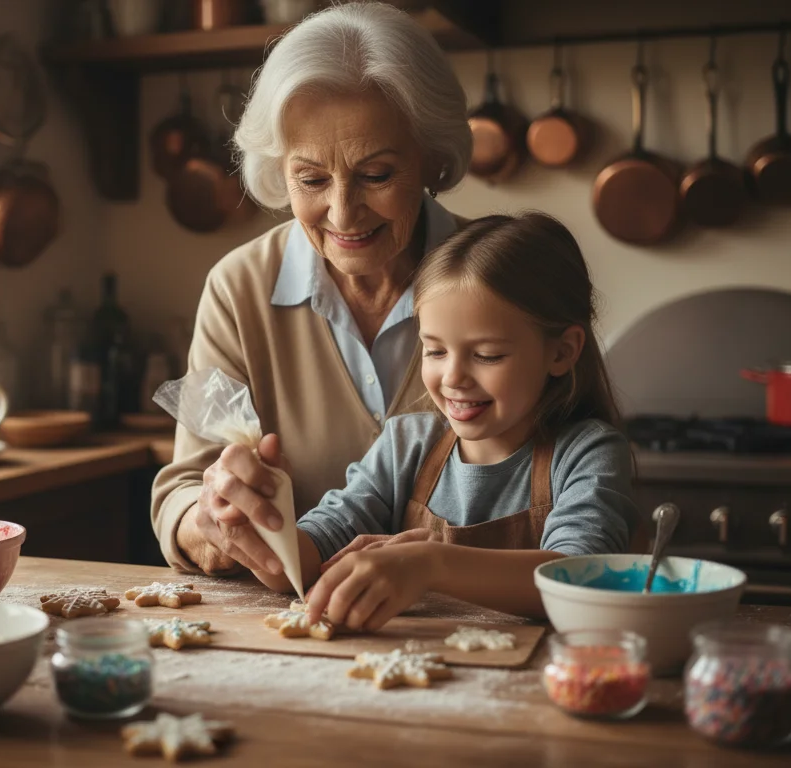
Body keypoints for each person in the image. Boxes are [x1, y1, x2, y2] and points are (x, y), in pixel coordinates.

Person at [151, 2, 473, 576]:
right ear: (281, 173)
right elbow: (181, 488)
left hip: (479, 634)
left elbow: (579, 487)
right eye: (311, 179)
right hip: (299, 626)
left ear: (432, 156)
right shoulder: (240, 287)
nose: (344, 214)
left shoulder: (505, 277)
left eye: (376, 175)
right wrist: (211, 521)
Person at [251, 213, 639, 626]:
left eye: (487, 355)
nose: (453, 378)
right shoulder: (406, 445)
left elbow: (577, 581)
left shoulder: (588, 454)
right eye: (435, 351)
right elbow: (307, 554)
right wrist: (260, 522)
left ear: (561, 352)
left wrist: (431, 564)